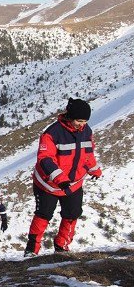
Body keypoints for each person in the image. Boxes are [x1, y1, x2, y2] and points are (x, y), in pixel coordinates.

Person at [24, 98, 101, 257]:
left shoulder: (86, 131)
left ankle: (62, 246)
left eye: (85, 121)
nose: (82, 124)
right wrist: (61, 179)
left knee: (72, 214)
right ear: (70, 117)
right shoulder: (52, 133)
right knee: (43, 215)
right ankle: (32, 250)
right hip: (48, 185)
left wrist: (94, 170)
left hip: (73, 184)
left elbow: (87, 154)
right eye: (79, 121)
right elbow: (45, 159)